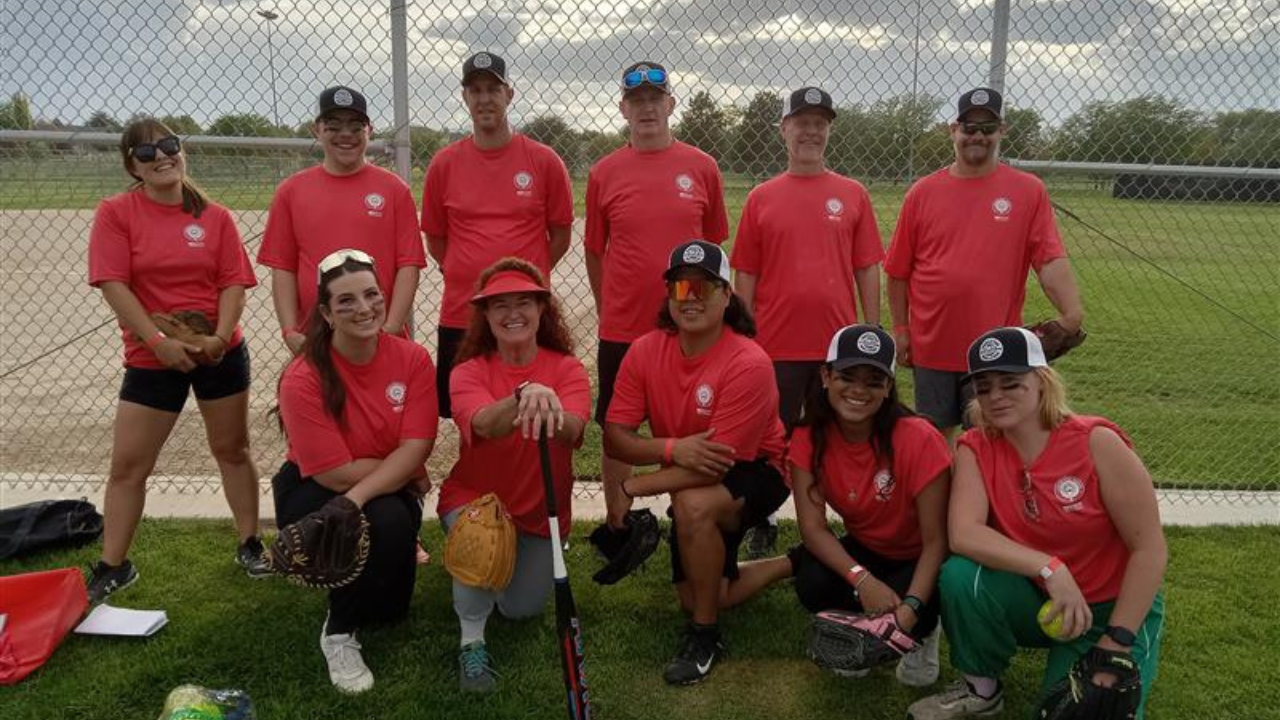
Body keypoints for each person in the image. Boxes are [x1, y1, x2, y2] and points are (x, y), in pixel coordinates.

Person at [907, 327, 1166, 720]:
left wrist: (1118, 640)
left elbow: (1149, 549)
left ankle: (1107, 648)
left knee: (1081, 710)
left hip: (1109, 610)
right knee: (962, 576)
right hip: (1040, 598)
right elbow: (964, 533)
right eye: (984, 387)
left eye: (1011, 383)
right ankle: (980, 689)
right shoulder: (976, 446)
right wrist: (1049, 567)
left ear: (1043, 381)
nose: (996, 396)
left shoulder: (1097, 441)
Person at [86, 117, 265, 603]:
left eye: (168, 145)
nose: (161, 157)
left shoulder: (216, 217)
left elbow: (233, 283)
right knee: (129, 465)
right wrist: (157, 341)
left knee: (232, 449)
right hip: (152, 357)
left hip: (218, 353)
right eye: (146, 153)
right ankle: (114, 565)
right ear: (133, 166)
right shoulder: (117, 213)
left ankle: (250, 543)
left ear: (181, 151)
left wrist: (220, 338)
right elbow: (112, 283)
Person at [603, 240, 790, 686]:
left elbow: (717, 465)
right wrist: (672, 449)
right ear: (669, 296)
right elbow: (615, 437)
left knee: (692, 505)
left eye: (705, 288)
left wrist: (629, 489)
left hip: (759, 469)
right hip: (694, 465)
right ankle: (795, 563)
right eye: (681, 288)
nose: (691, 299)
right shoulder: (645, 350)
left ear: (727, 295)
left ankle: (704, 636)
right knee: (700, 593)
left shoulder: (749, 361)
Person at [274, 249, 438, 694]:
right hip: (312, 485)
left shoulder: (413, 358)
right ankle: (338, 630)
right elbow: (334, 473)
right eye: (345, 300)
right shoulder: (303, 375)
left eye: (371, 294)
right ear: (326, 314)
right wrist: (403, 471)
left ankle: (365, 585)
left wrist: (360, 496)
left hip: (374, 482)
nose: (364, 308)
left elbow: (417, 446)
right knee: (385, 520)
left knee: (388, 612)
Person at [731, 86, 884, 559]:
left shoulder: (852, 194)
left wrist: (872, 330)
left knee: (836, 437)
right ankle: (763, 517)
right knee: (770, 438)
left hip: (835, 349)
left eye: (820, 123)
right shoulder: (762, 197)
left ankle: (848, 522)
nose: (811, 131)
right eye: (802, 123)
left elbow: (866, 266)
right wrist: (742, 337)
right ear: (784, 129)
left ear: (829, 130)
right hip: (774, 345)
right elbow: (746, 273)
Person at [885, 87, 1084, 438]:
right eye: (969, 127)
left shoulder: (1027, 190)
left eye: (988, 128)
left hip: (995, 349)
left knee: (991, 438)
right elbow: (898, 271)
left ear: (1001, 131)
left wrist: (1072, 314)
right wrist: (901, 330)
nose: (978, 135)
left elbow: (1049, 259)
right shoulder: (923, 192)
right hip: (931, 344)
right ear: (954, 130)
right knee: (933, 438)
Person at [585, 61, 729, 542]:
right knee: (617, 424)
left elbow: (711, 248)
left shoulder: (701, 166)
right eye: (637, 100)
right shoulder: (605, 172)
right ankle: (617, 521)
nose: (646, 108)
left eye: (655, 98)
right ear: (623, 108)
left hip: (686, 319)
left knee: (692, 420)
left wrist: (700, 311)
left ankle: (690, 513)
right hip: (625, 322)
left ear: (670, 104)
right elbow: (594, 249)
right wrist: (608, 307)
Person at [435, 258, 591, 692]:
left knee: (521, 610)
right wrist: (523, 395)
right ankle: (471, 642)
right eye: (499, 305)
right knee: (482, 539)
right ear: (485, 316)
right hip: (476, 501)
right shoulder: (468, 371)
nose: (512, 313)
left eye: (524, 302)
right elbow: (484, 424)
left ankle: (489, 573)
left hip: (541, 513)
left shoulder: (568, 369)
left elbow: (573, 429)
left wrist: (549, 403)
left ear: (542, 310)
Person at [789, 324, 950, 688]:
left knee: (922, 601)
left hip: (919, 554)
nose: (859, 391)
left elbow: (937, 541)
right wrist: (862, 579)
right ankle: (866, 628)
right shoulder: (808, 435)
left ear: (889, 387)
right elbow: (812, 529)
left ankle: (922, 633)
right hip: (869, 546)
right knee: (812, 582)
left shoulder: (919, 438)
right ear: (826, 376)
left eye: (874, 381)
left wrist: (910, 608)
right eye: (847, 377)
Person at [421, 51, 574, 418]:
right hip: (462, 312)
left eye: (493, 89)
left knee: (531, 409)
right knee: (466, 414)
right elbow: (436, 239)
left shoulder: (543, 160)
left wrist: (524, 276)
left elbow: (560, 235)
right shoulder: (444, 164)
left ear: (509, 94)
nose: (485, 98)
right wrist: (463, 268)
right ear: (464, 97)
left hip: (523, 315)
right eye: (475, 90)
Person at [258, 85, 425, 356]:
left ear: (369, 131)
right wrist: (290, 331)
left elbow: (409, 265)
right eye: (333, 126)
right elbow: (283, 268)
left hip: (379, 334)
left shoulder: (394, 189)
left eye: (356, 126)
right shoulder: (292, 191)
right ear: (317, 130)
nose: (345, 134)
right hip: (316, 336)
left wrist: (392, 327)